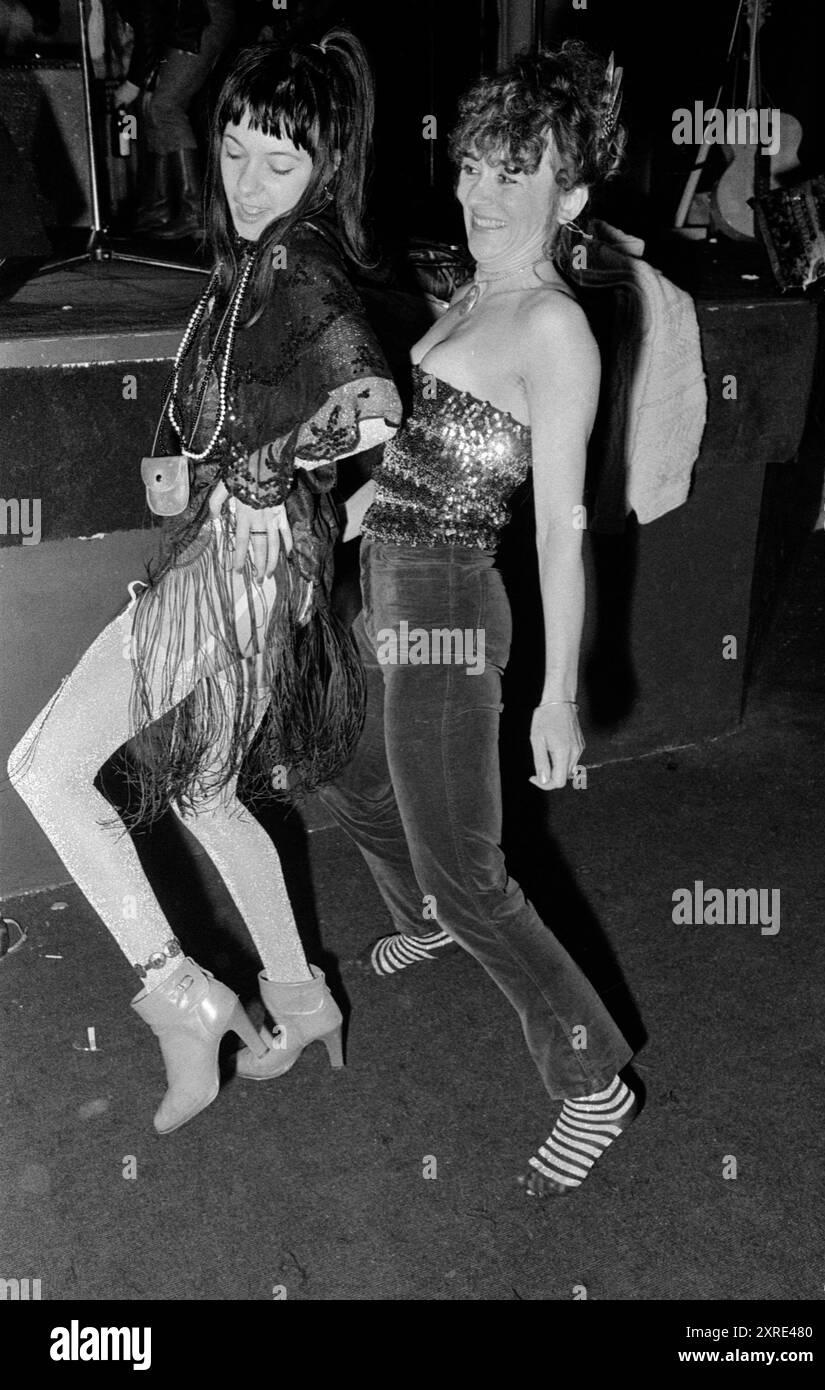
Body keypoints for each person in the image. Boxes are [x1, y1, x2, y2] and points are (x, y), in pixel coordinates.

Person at [7, 31, 401, 1135]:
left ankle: (183, 998)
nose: (246, 181)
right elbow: (232, 404)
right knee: (203, 791)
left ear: (327, 169)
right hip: (244, 561)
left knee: (43, 769)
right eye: (233, 150)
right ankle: (297, 994)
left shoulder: (300, 266)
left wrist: (257, 466)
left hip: (236, 569)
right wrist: (198, 457)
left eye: (278, 162)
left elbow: (374, 409)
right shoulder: (254, 261)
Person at [314, 40, 639, 1198]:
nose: (483, 192)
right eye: (474, 166)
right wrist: (353, 505)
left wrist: (556, 693)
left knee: (470, 867)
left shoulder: (553, 327)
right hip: (392, 575)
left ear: (572, 193)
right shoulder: (468, 292)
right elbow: (430, 446)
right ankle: (433, 911)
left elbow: (558, 527)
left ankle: (589, 1076)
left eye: (518, 172)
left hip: (452, 604)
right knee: (346, 763)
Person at [113, 1, 238, 239]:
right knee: (153, 107)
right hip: (193, 19)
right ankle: (159, 209)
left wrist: (133, 82)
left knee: (165, 108)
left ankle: (194, 213)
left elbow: (149, 23)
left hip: (197, 20)